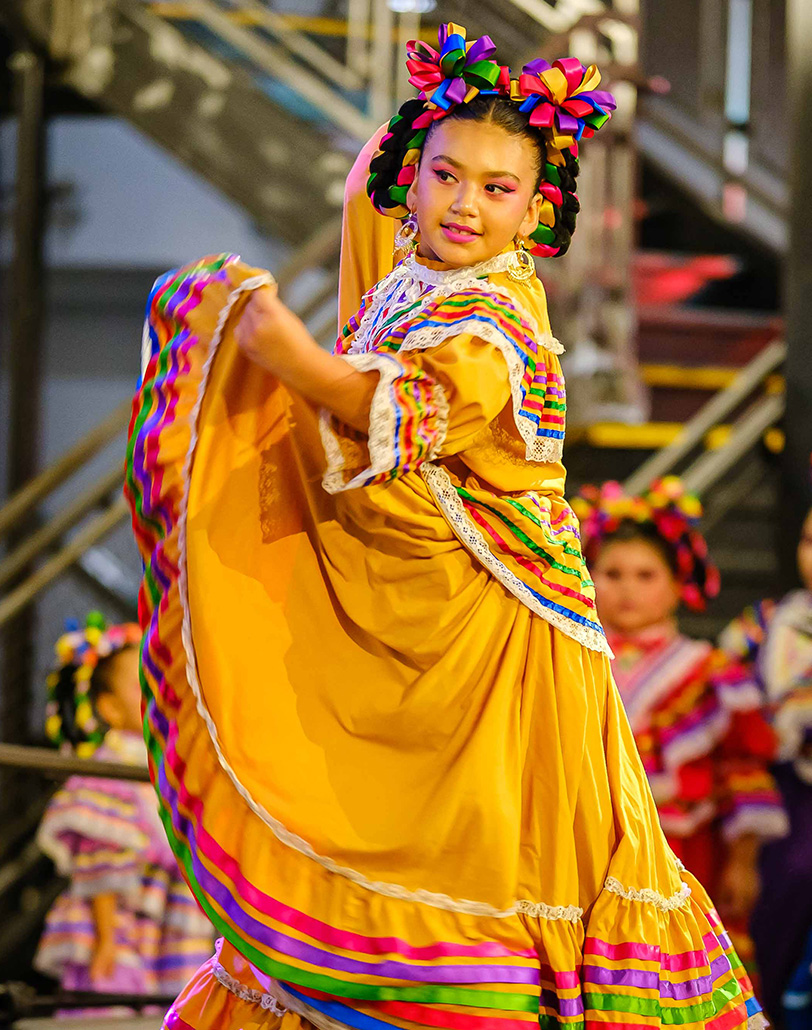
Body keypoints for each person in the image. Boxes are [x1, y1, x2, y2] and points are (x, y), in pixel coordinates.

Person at [126, 24, 766, 1030]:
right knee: (371, 845)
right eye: (445, 175)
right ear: (411, 180)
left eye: (497, 188)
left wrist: (281, 350)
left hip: (491, 657)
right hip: (412, 625)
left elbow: (394, 403)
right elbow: (364, 195)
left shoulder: (497, 323)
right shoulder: (409, 275)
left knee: (480, 875)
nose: (465, 203)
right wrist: (443, 105)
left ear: (535, 212)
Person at [575, 478, 788, 978]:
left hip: (682, 853)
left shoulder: (708, 671)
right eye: (612, 573)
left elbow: (742, 768)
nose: (627, 589)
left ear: (678, 584)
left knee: (674, 969)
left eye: (646, 575)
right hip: (587, 845)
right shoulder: (573, 661)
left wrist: (743, 861)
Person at [34, 614, 214, 1007]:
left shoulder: (168, 763)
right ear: (111, 709)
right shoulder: (108, 771)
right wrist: (106, 938)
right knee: (112, 1004)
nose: (158, 694)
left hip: (168, 924)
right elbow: (101, 858)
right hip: (120, 927)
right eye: (141, 686)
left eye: (161, 681)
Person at [719, 504, 812, 1026]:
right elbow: (721, 697)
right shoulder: (765, 622)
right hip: (782, 799)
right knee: (776, 911)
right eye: (809, 541)